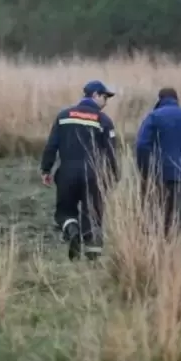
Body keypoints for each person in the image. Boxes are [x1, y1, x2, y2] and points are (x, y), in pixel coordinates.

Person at [40, 80, 119, 261]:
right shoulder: (103, 120)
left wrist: (46, 169)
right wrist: (113, 176)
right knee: (92, 214)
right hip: (94, 175)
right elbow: (111, 152)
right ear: (95, 95)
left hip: (66, 173)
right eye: (104, 97)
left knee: (65, 212)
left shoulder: (63, 116)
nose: (106, 102)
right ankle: (92, 257)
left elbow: (51, 145)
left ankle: (71, 229)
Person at [135, 87, 181, 238]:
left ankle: (153, 253)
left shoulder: (153, 117)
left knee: (153, 217)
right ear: (177, 99)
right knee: (174, 219)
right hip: (180, 177)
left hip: (156, 176)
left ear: (160, 99)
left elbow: (142, 145)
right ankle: (170, 252)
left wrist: (146, 172)